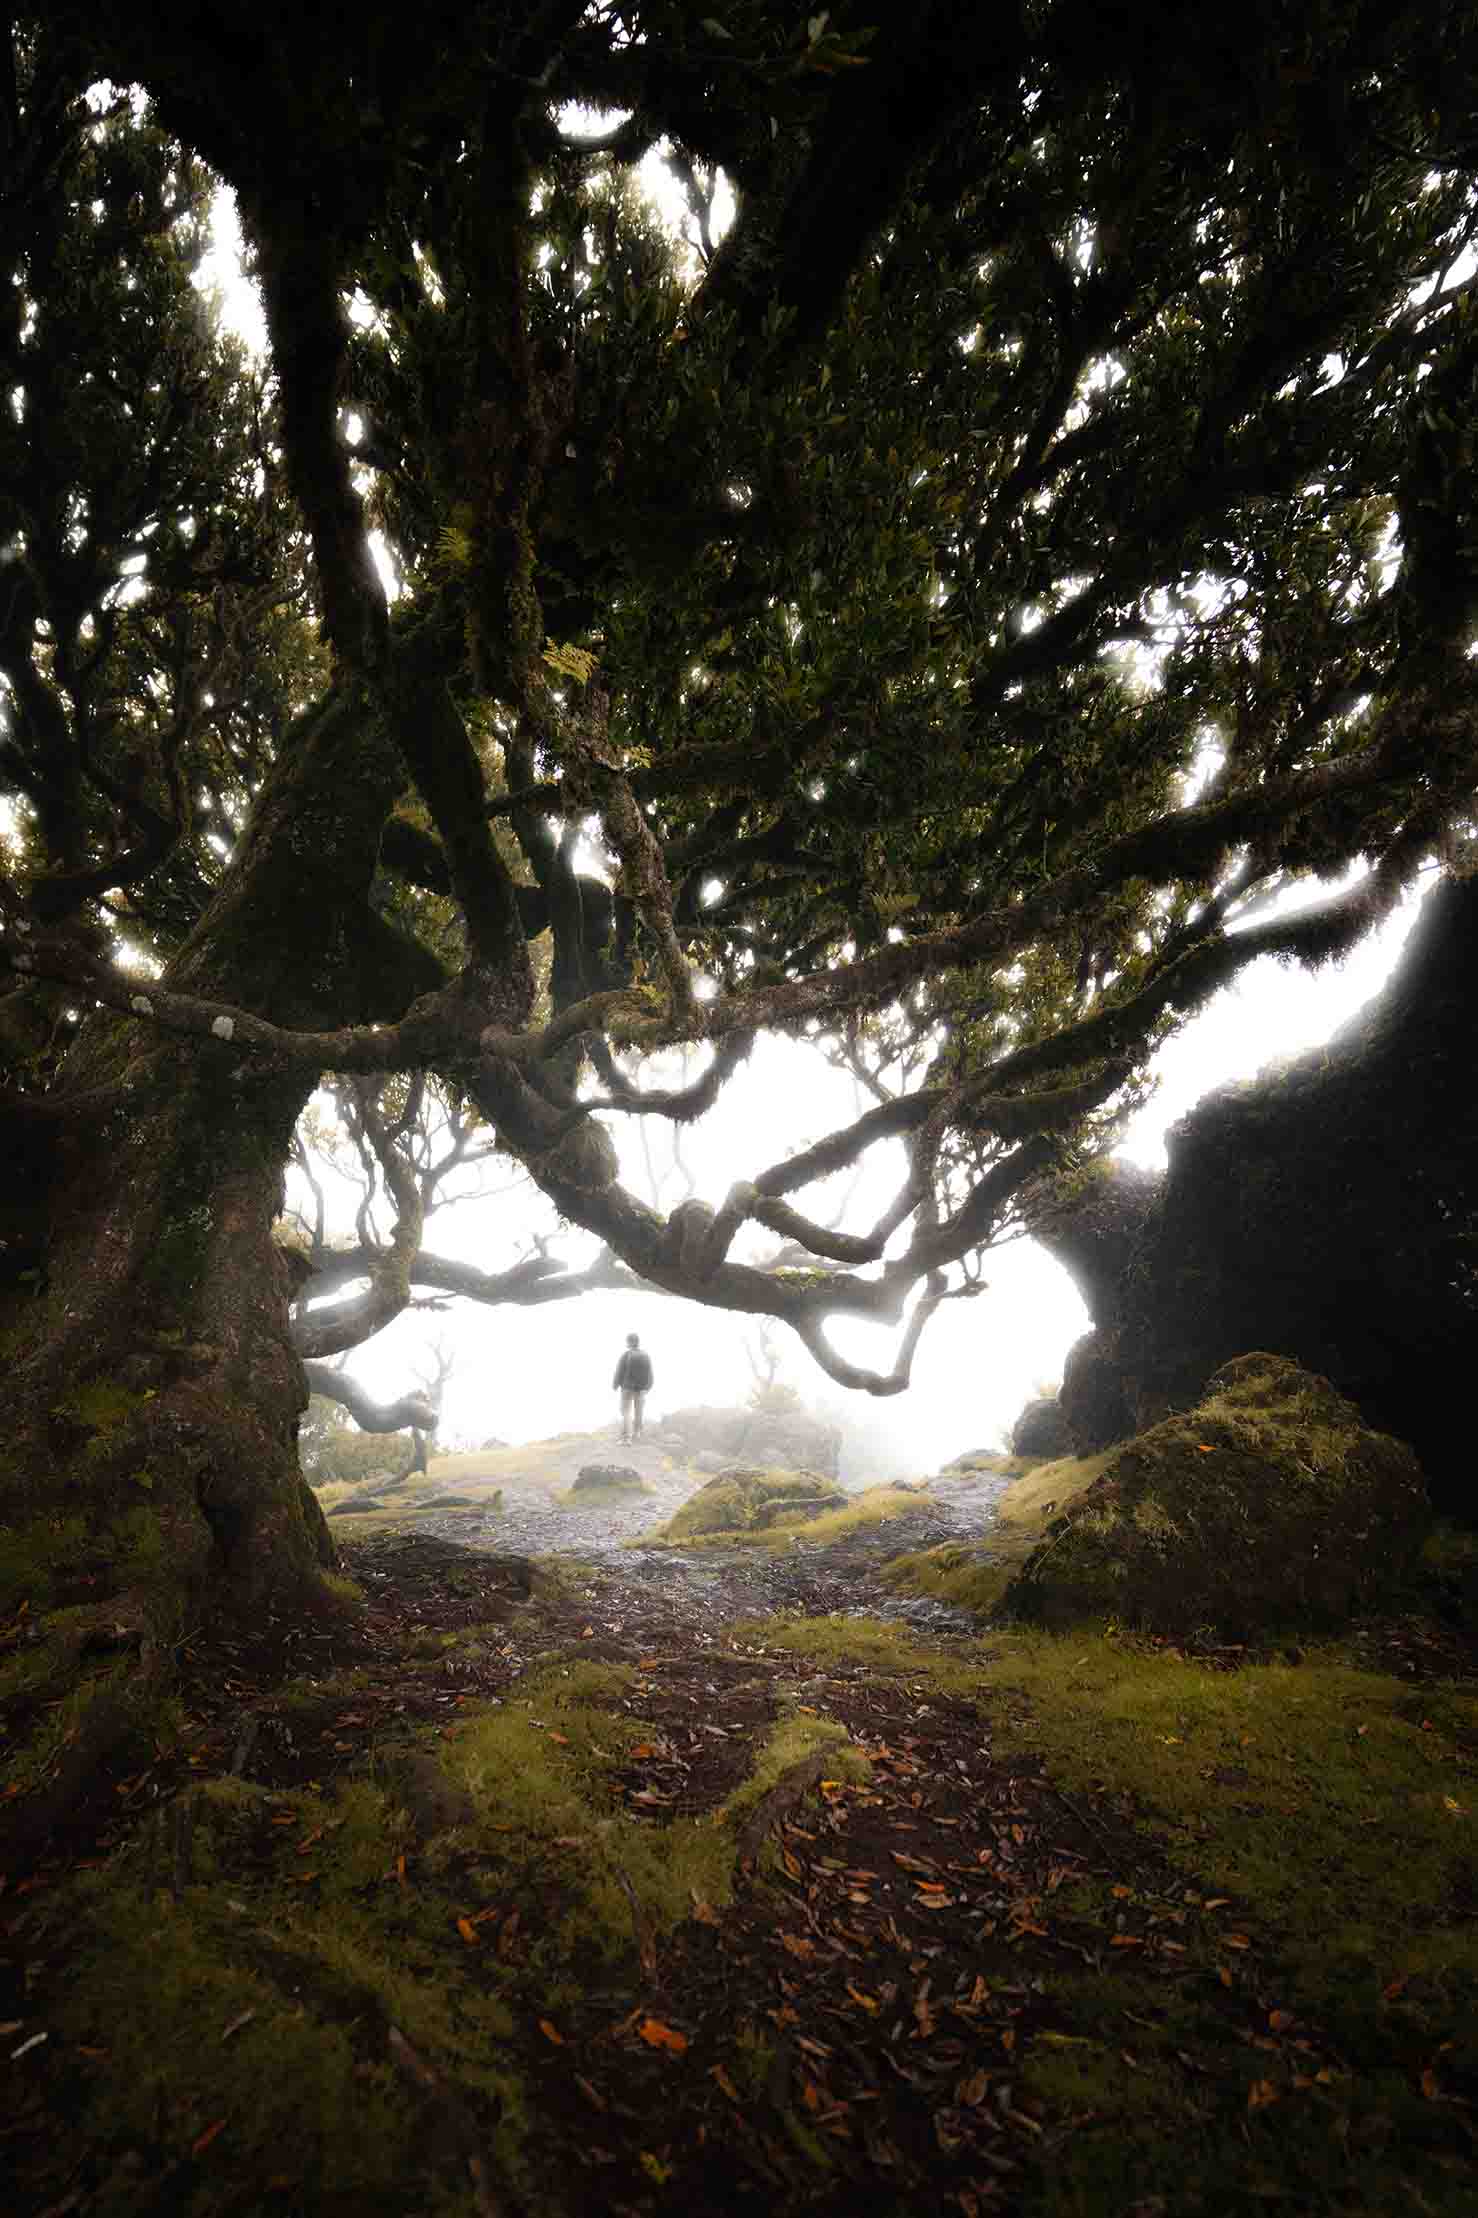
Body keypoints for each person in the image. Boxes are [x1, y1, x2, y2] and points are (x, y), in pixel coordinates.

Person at [613, 1332, 653, 1444]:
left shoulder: (626, 1355)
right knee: (639, 1411)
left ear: (629, 1342)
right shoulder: (646, 1356)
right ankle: (637, 1433)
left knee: (626, 1412)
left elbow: (619, 1371)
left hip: (627, 1388)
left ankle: (626, 1438)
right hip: (641, 1390)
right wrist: (648, 1387)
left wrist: (615, 1385)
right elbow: (650, 1374)